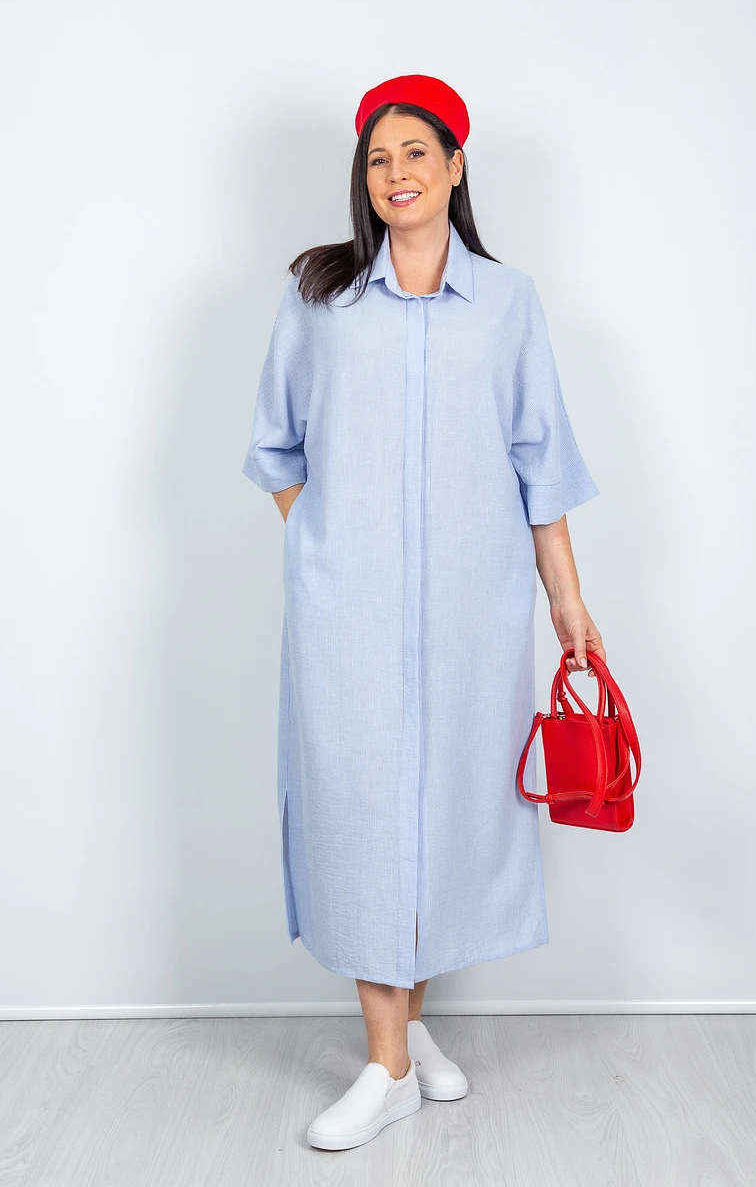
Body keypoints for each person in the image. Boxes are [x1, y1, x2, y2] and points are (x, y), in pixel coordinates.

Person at [242, 73, 606, 1151]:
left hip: (471, 617)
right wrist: (322, 546)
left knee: (444, 812)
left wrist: (568, 602)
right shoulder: (319, 297)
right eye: (377, 158)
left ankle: (405, 1025)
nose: (395, 174)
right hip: (344, 617)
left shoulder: (509, 303)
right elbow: (275, 444)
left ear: (454, 166)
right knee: (361, 815)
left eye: (415, 153)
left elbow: (540, 462)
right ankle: (387, 1064)